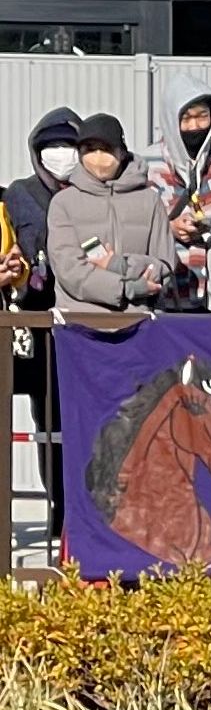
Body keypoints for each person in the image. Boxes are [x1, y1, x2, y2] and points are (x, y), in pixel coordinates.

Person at [4, 107, 77, 534]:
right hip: (33, 322)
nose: (60, 154)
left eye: (68, 145)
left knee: (77, 423)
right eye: (51, 147)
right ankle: (57, 512)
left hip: (79, 318)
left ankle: (76, 514)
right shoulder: (20, 192)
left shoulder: (88, 192)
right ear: (37, 152)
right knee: (47, 422)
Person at [140, 73, 211, 315]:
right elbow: (135, 222)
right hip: (172, 287)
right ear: (171, 120)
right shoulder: (147, 164)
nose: (195, 126)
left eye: (203, 116)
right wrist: (168, 227)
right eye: (186, 118)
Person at [46, 113, 175, 314]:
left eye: (105, 149)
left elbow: (164, 264)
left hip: (139, 319)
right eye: (89, 149)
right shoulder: (64, 203)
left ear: (122, 152)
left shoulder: (149, 200)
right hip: (81, 322)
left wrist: (119, 265)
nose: (98, 157)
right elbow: (69, 269)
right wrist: (126, 288)